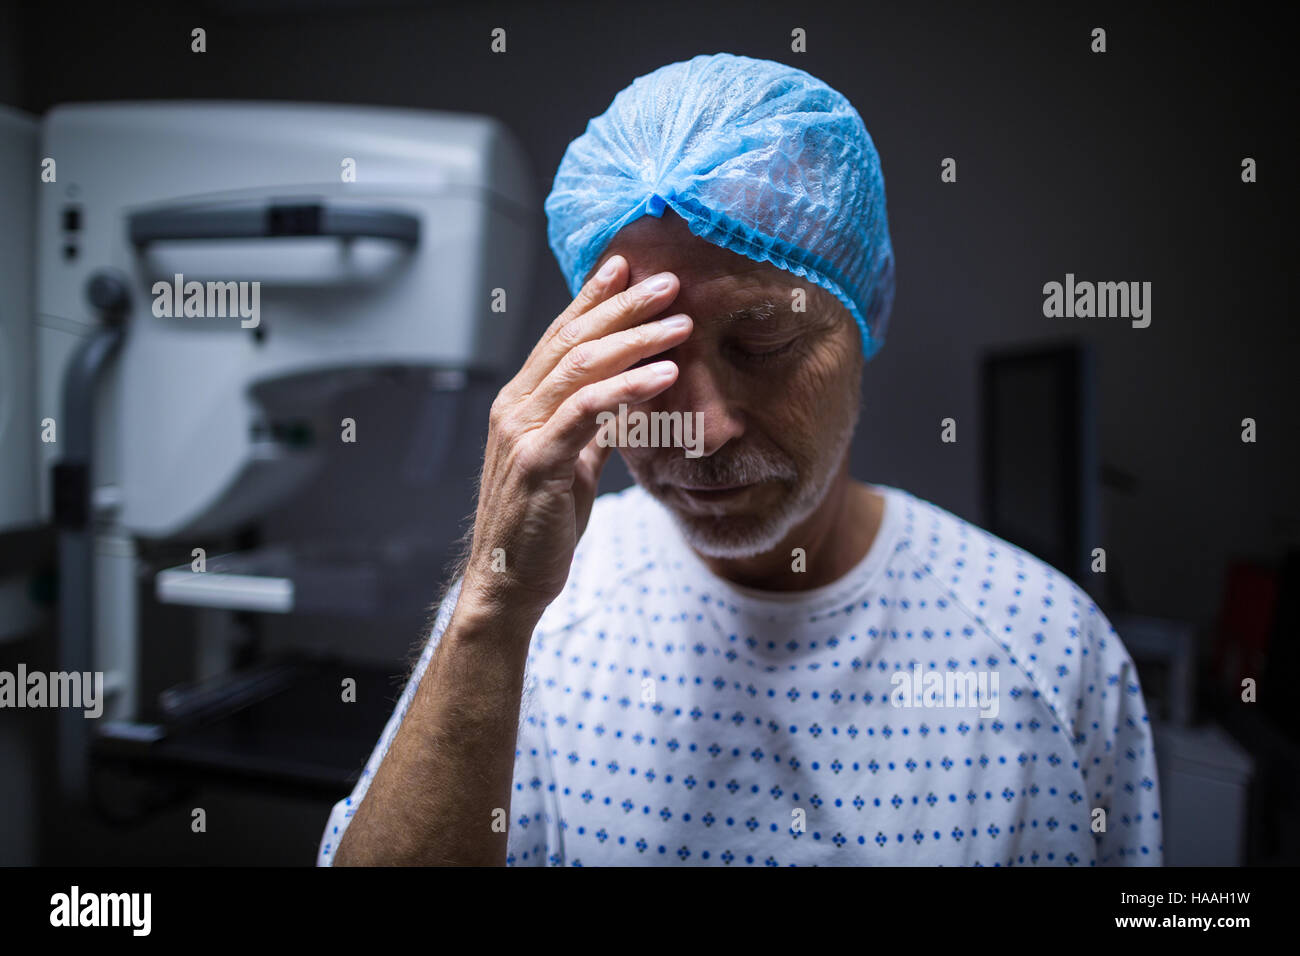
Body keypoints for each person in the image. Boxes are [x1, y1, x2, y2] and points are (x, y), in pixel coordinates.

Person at [319, 53, 1162, 866]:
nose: (702, 429)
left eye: (762, 344)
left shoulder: (1048, 653)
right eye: (644, 361)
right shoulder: (532, 623)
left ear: (860, 319)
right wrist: (494, 610)